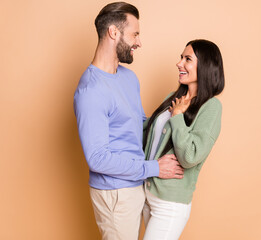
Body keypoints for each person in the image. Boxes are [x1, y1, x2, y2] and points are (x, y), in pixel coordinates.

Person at [73, 2, 184, 240]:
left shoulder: (128, 78)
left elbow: (138, 126)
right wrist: (154, 168)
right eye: (135, 34)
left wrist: (178, 116)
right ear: (114, 32)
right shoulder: (91, 91)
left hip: (137, 184)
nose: (139, 42)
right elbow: (97, 159)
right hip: (114, 194)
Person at [142, 39, 225, 240]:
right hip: (147, 193)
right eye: (181, 58)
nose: (179, 63)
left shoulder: (211, 107)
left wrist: (177, 117)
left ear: (205, 66)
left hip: (170, 203)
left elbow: (190, 156)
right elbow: (148, 135)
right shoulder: (174, 96)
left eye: (187, 59)